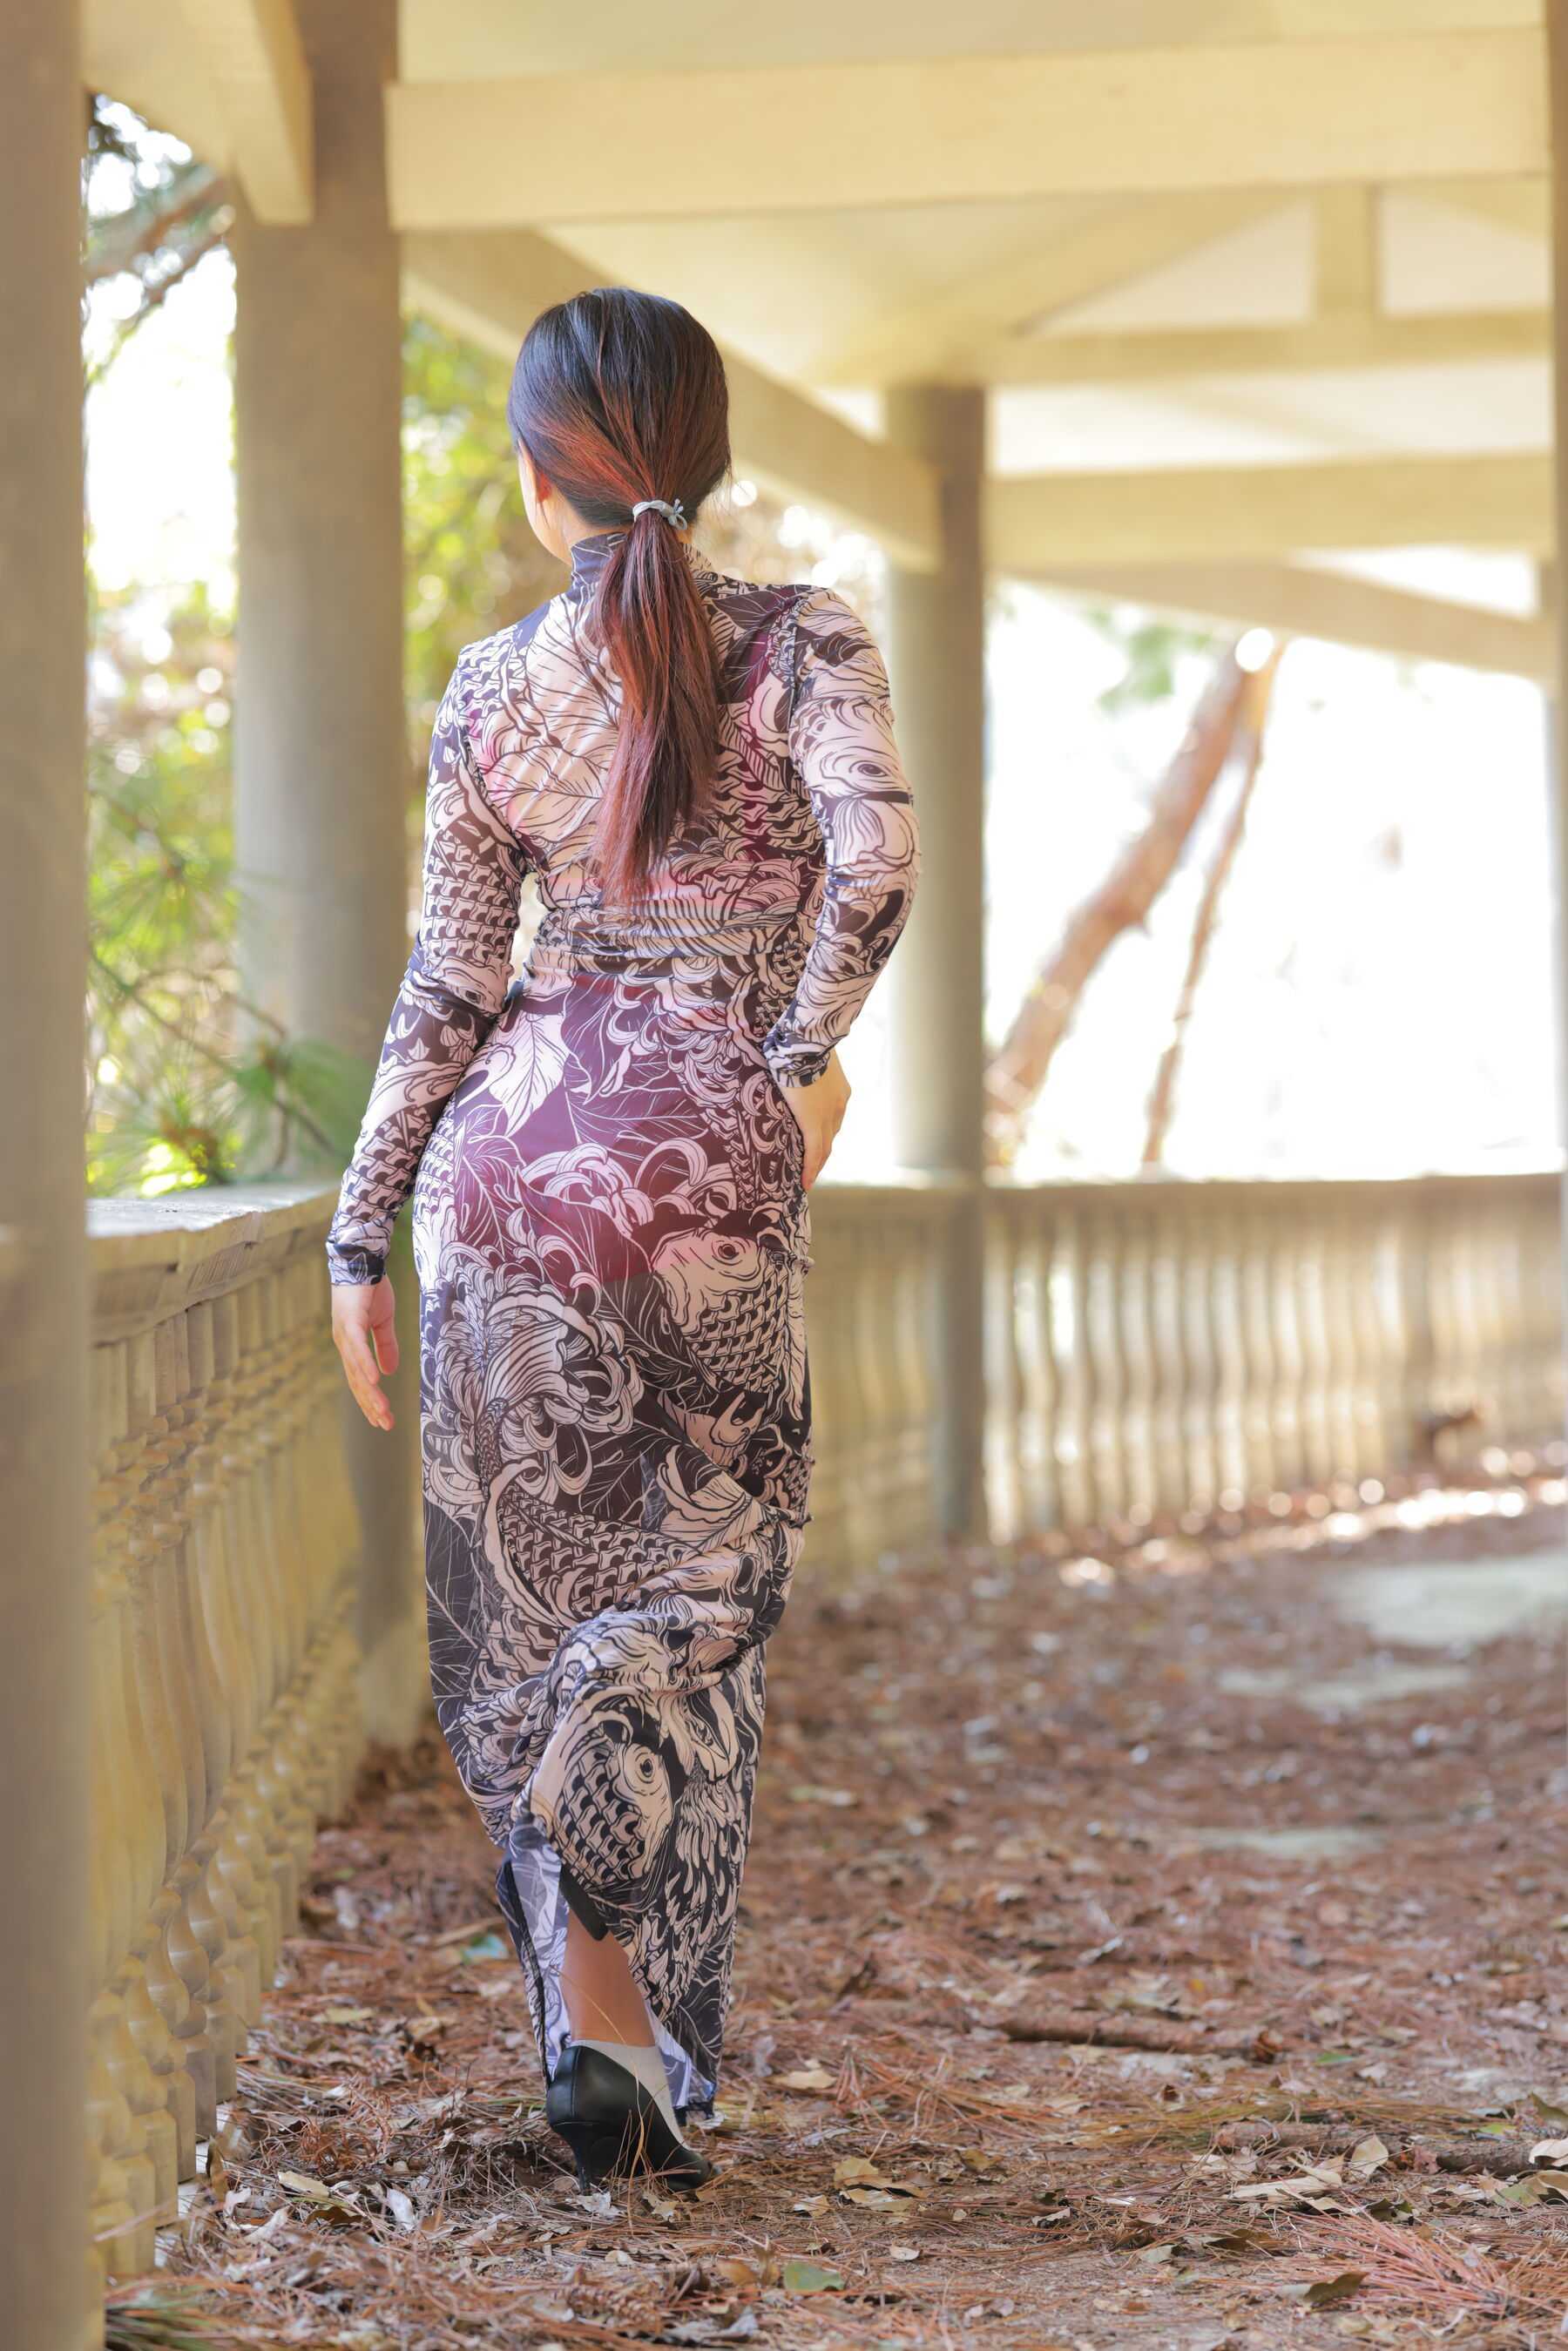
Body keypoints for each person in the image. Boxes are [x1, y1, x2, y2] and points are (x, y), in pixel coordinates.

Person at [326, 286, 922, 2192]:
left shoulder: (492, 690)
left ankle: (601, 2035)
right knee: (693, 1594)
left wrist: (359, 1232)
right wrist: (795, 1060)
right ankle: (633, 1957)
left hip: (504, 1169)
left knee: (522, 1607)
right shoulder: (806, 640)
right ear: (710, 457)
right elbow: (878, 861)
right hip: (708, 1167)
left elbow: (446, 983)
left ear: (538, 479)